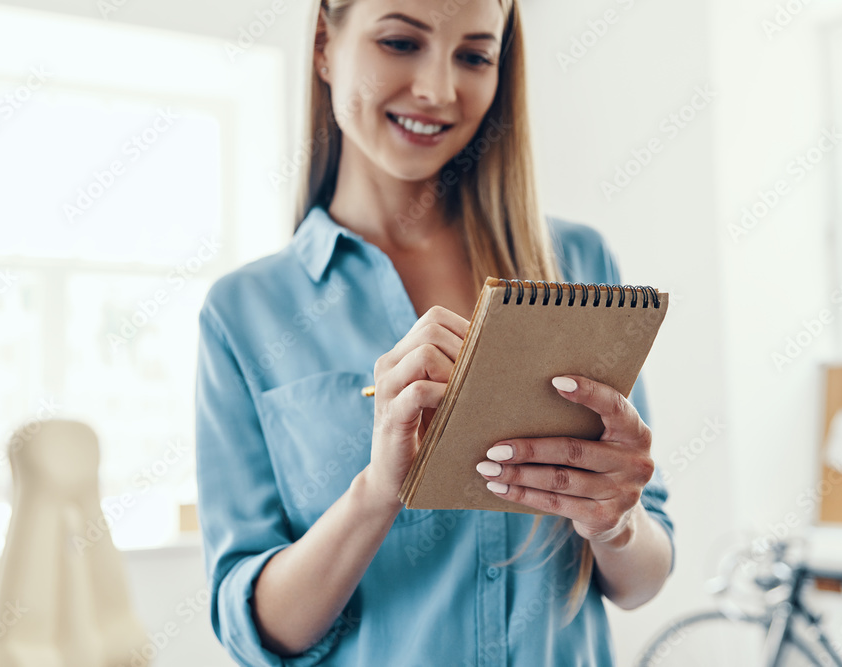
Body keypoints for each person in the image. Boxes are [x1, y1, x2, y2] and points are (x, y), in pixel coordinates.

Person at [195, 0, 675, 664]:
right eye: (399, 42)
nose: (438, 91)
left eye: (474, 56)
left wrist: (616, 517)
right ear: (323, 46)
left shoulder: (579, 265)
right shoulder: (245, 311)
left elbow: (643, 579)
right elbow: (254, 628)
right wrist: (377, 490)